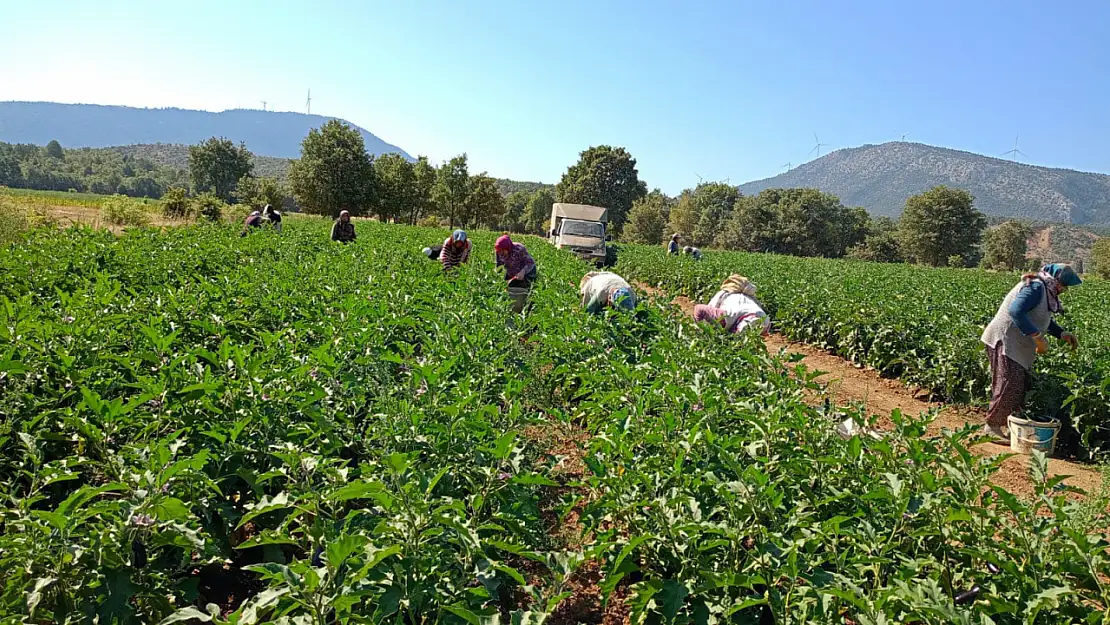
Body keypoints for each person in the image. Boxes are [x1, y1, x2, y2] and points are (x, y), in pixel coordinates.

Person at [979, 263, 1082, 442]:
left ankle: (1012, 427)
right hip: (1005, 340)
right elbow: (1016, 311)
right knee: (1008, 384)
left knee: (1019, 386)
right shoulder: (1035, 287)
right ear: (1054, 279)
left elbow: (1040, 317)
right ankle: (992, 426)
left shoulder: (1045, 291)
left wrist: (1061, 334)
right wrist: (1038, 338)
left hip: (1017, 344)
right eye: (1063, 284)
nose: (1063, 289)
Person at [693, 274, 770, 335]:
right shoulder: (748, 296)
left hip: (734, 318)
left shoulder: (723, 294)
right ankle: (747, 326)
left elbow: (698, 309)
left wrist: (701, 329)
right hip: (764, 320)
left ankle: (743, 327)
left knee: (737, 342)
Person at [495, 235, 537, 313]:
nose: (501, 253)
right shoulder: (498, 252)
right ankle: (512, 310)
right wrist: (498, 278)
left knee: (528, 292)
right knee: (507, 292)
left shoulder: (519, 249)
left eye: (503, 250)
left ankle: (528, 313)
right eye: (499, 251)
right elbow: (499, 266)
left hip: (527, 271)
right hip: (512, 273)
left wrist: (523, 271)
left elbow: (530, 262)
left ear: (508, 248)